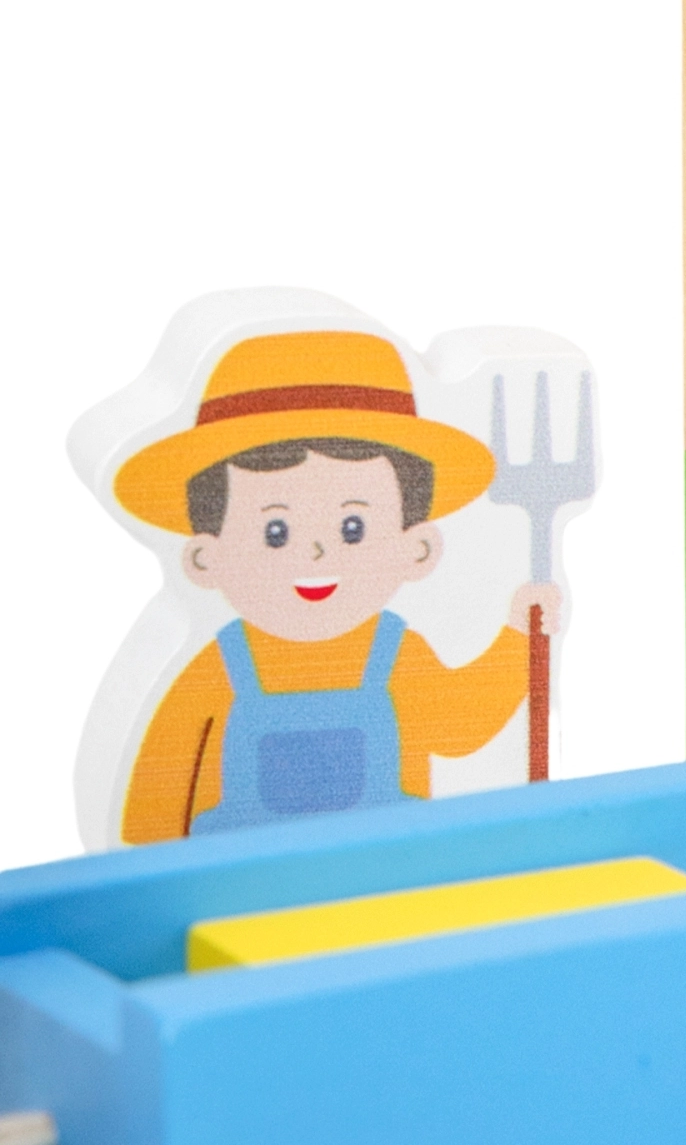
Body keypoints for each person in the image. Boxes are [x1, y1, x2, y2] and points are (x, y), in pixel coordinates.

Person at [113, 329, 559, 840]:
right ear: (204, 557)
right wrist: (153, 867)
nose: (316, 554)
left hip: (381, 867)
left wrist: (521, 635)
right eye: (275, 532)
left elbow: (461, 722)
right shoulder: (215, 671)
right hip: (247, 877)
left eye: (353, 528)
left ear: (417, 547)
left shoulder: (398, 655)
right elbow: (160, 785)